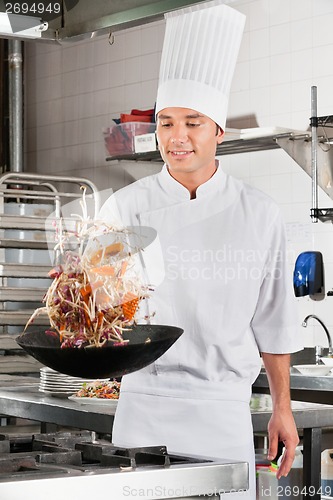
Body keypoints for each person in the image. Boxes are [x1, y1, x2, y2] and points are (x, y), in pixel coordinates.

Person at [98, 2, 303, 498]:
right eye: (167, 123)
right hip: (143, 404)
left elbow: (273, 320)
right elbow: (101, 309)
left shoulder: (259, 213)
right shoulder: (123, 208)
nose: (178, 137)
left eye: (193, 122)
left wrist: (282, 408)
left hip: (221, 409)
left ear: (218, 132)